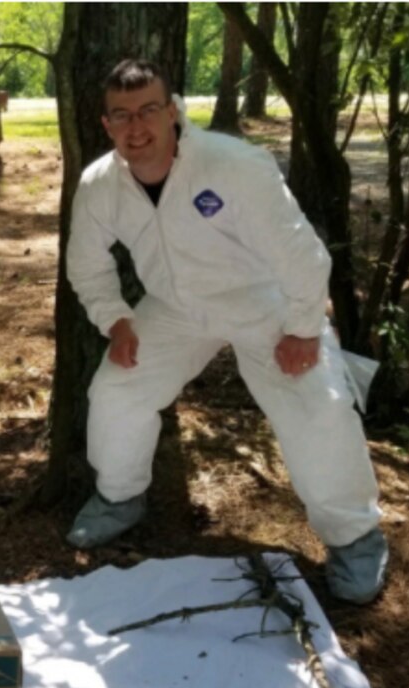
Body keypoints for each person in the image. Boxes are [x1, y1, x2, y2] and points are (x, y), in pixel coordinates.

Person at [65, 59, 388, 605]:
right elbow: (86, 266)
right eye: (122, 116)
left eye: (149, 110)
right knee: (117, 390)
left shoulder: (233, 165)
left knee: (318, 406)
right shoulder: (100, 184)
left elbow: (301, 256)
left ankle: (356, 537)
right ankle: (120, 497)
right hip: (173, 307)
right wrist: (116, 321)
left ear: (173, 112)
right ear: (106, 125)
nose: (137, 127)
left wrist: (304, 329)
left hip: (265, 303)